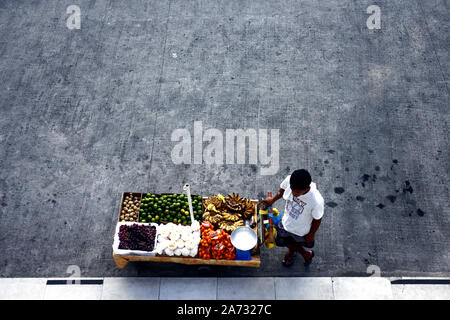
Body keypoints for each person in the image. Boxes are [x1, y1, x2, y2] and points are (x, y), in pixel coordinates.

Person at [262, 169, 324, 267]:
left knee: (296, 242)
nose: (293, 192)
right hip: (286, 221)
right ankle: (303, 253)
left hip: (301, 230)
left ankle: (295, 253)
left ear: (307, 188)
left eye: (297, 192)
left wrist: (311, 234)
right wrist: (272, 200)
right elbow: (282, 191)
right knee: (281, 241)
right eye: (291, 189)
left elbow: (318, 219)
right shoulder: (290, 180)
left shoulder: (316, 201)